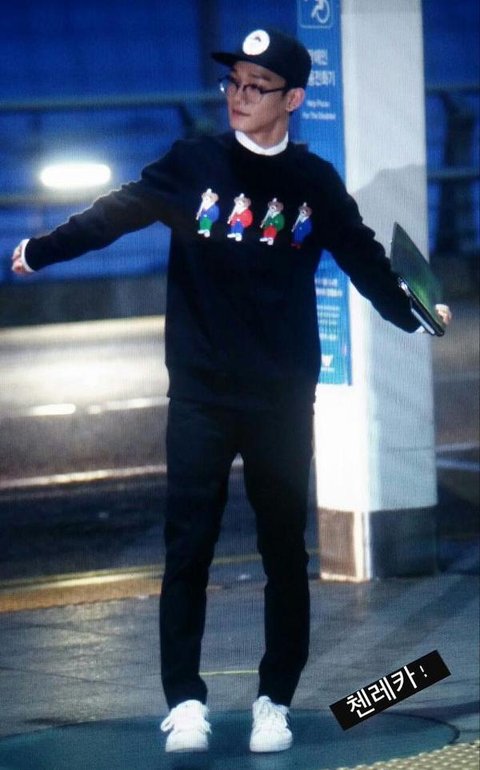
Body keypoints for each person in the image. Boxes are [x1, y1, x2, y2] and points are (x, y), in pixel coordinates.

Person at [11, 27, 452, 755]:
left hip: (282, 396)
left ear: (293, 99)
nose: (239, 97)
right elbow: (114, 213)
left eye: (257, 86)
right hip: (201, 395)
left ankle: (274, 701)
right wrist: (39, 250)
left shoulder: (313, 183)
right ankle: (185, 702)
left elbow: (365, 257)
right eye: (234, 83)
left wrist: (415, 314)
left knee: (284, 554)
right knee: (188, 547)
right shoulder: (193, 164)